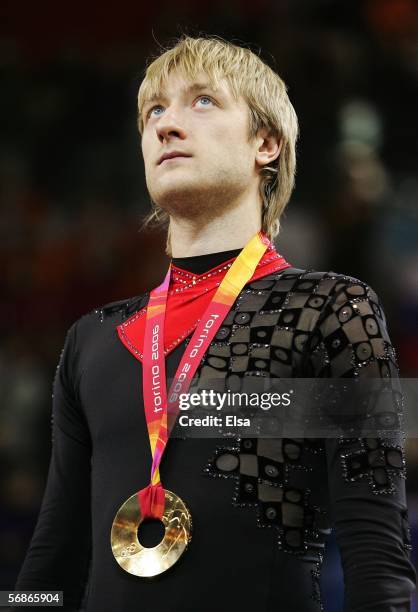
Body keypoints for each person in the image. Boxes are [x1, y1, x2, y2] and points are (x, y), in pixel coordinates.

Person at [14, 35, 416, 612]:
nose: (166, 125)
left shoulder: (330, 308)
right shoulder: (93, 338)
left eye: (202, 101)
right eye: (154, 110)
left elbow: (377, 555)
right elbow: (52, 554)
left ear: (266, 143)